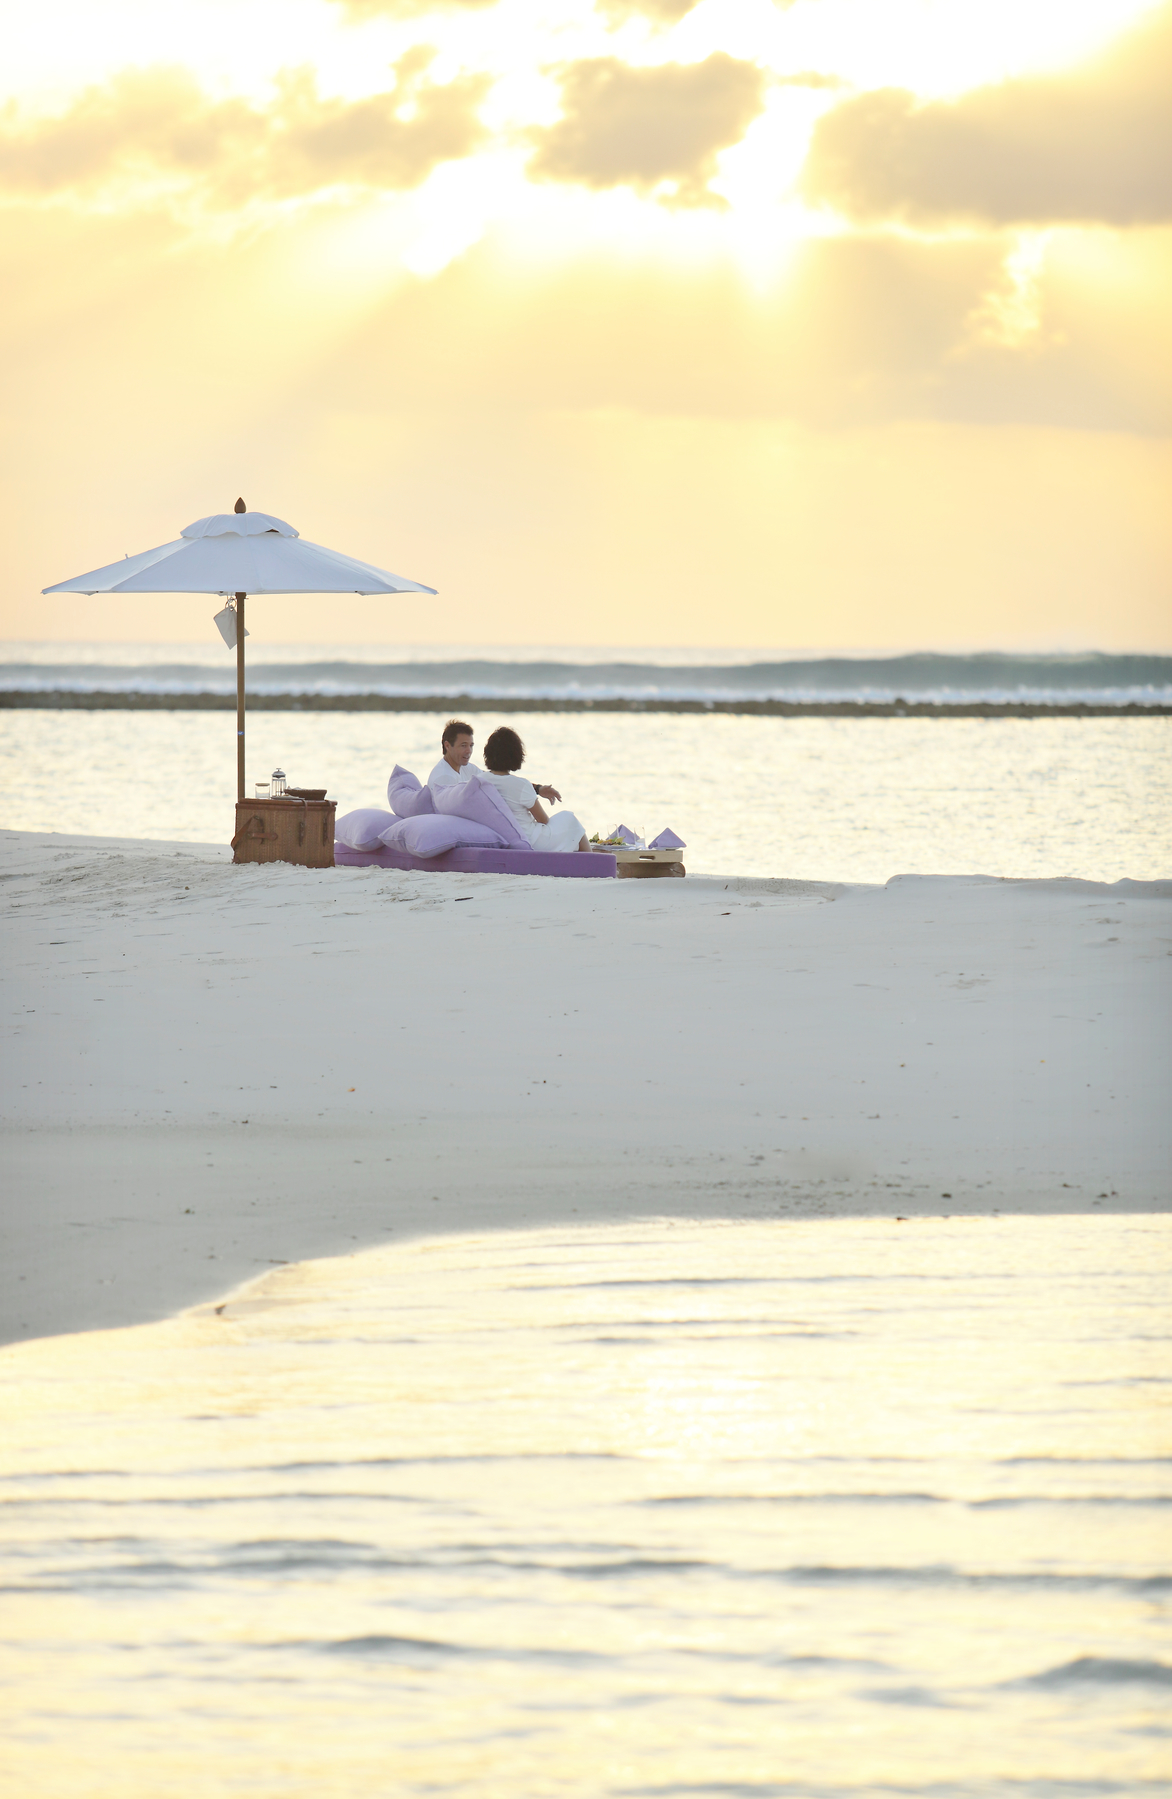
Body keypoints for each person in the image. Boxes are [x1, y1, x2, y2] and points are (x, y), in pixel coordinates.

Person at [479, 726, 591, 853]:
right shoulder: (521, 785)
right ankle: (592, 861)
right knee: (570, 820)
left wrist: (537, 789)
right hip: (530, 841)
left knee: (568, 830)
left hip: (504, 838)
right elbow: (543, 820)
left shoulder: (480, 780)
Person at [428, 720, 561, 803]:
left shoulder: (467, 768)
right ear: (447, 746)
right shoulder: (444, 778)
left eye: (471, 745)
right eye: (463, 745)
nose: (469, 751)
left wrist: (538, 789)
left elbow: (499, 781)